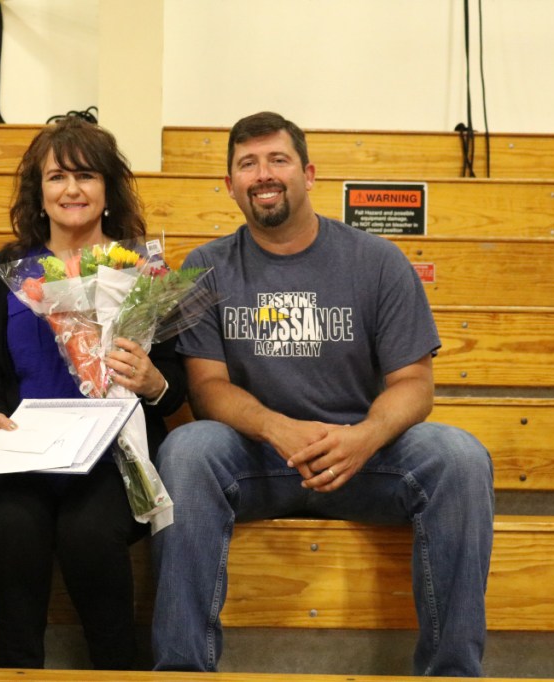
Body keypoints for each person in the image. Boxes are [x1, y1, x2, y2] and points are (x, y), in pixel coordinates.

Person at [150, 111, 494, 677]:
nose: (264, 174)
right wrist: (274, 427)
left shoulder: (377, 261)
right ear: (230, 183)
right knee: (186, 451)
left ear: (308, 173)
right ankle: (185, 670)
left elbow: (414, 385)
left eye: (278, 160)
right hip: (256, 459)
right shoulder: (206, 266)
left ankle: (453, 672)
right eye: (248, 164)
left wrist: (364, 438)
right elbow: (206, 386)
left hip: (362, 460)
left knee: (459, 458)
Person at [0, 116, 186, 670]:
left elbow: (174, 384)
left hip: (113, 461)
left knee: (87, 535)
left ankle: (116, 671)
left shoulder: (142, 273)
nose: (72, 190)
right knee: (15, 528)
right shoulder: (6, 273)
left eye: (86, 176)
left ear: (108, 190)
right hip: (23, 458)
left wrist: (154, 382)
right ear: (39, 193)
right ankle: (17, 670)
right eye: (57, 177)